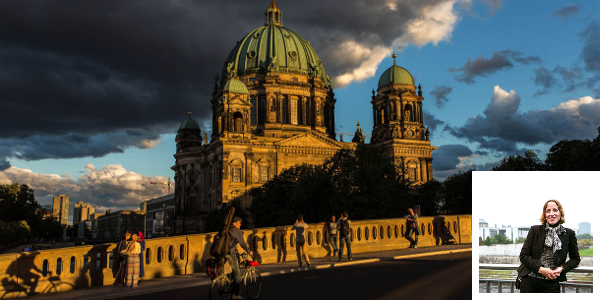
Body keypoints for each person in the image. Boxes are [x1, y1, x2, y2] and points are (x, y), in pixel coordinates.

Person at [518, 199, 580, 293]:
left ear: (560, 213)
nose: (551, 214)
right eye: (548, 211)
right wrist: (540, 269)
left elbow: (575, 259)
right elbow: (523, 256)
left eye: (555, 210)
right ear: (544, 214)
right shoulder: (535, 230)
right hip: (529, 281)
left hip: (551, 282)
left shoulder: (569, 234)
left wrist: (561, 268)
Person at [227, 216, 252, 300]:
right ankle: (235, 294)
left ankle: (228, 283)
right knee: (237, 274)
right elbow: (242, 243)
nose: (240, 224)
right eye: (240, 223)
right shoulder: (236, 230)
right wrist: (249, 251)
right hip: (231, 254)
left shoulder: (228, 229)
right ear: (236, 223)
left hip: (224, 253)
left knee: (232, 272)